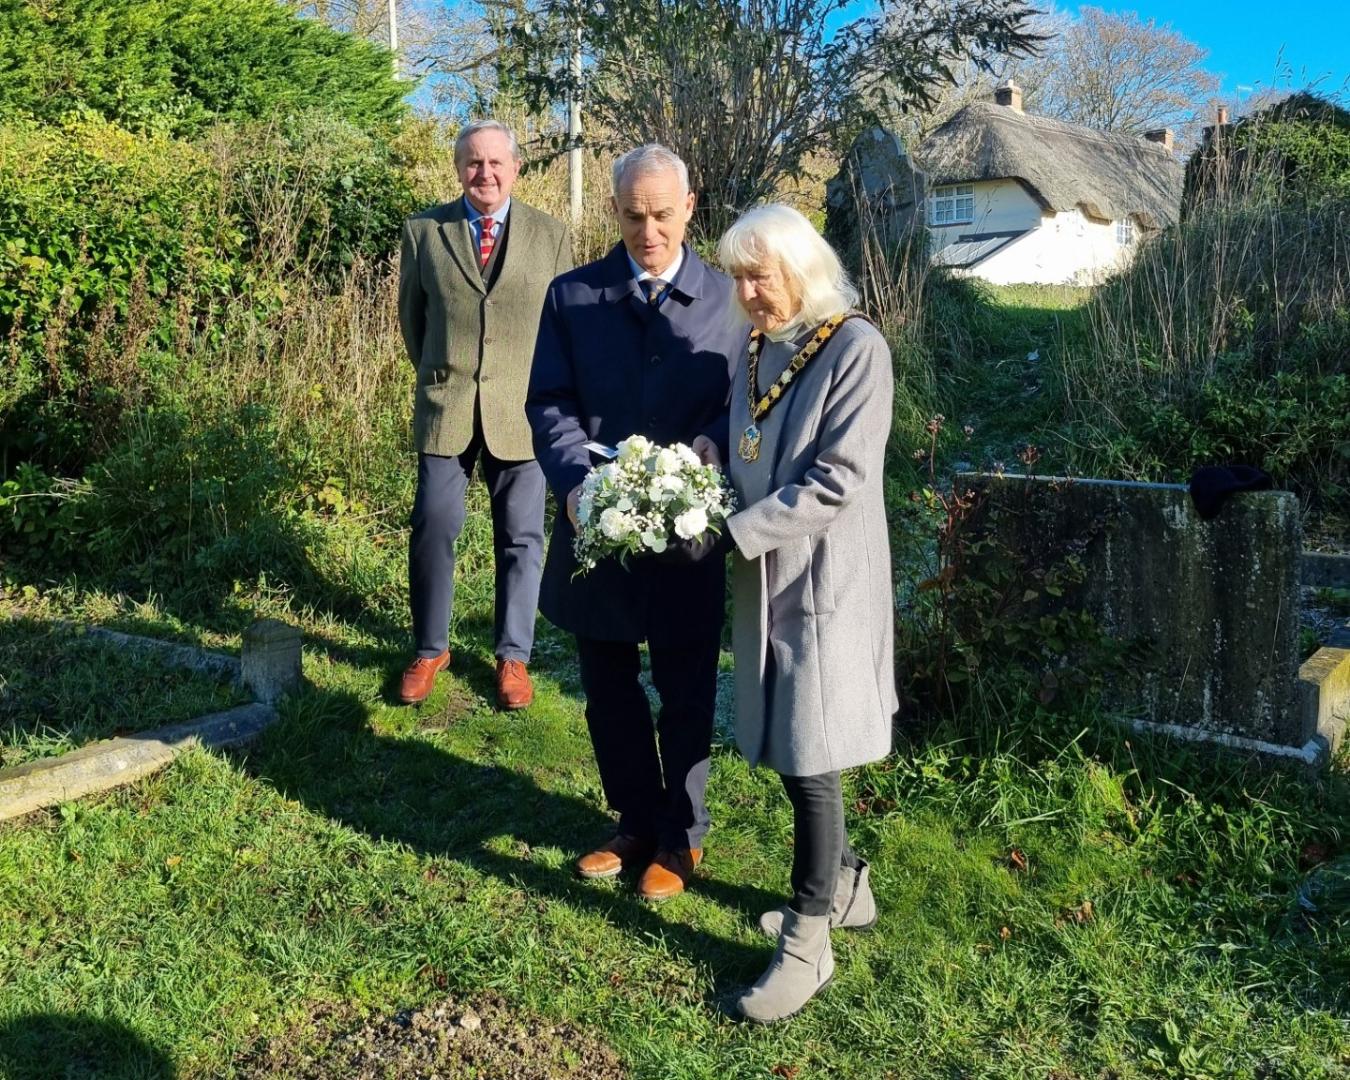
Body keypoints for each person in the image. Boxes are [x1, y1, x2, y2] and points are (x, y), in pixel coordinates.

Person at [525, 144, 743, 901]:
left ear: (690, 207)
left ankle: (681, 835)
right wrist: (575, 485)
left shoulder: (729, 299)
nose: (648, 232)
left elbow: (745, 404)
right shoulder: (572, 296)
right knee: (608, 685)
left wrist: (712, 449)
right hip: (598, 526)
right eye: (632, 216)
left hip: (689, 533)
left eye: (662, 215)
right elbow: (548, 403)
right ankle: (633, 820)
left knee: (686, 685)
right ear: (614, 211)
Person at [716, 204, 898, 1022]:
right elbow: (744, 441)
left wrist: (736, 532)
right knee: (795, 746)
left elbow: (840, 479)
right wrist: (703, 470)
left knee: (810, 752)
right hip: (767, 573)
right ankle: (849, 886)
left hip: (825, 580)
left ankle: (808, 942)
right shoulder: (760, 346)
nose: (748, 295)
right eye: (738, 279)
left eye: (760, 277)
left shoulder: (857, 348)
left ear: (802, 269)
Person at [397, 120, 573, 709]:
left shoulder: (552, 236)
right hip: (447, 403)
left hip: (522, 410)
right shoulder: (425, 231)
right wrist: (441, 372)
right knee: (433, 523)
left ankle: (512, 657)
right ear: (458, 168)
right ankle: (430, 649)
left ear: (516, 168)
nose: (485, 173)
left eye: (497, 162)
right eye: (474, 162)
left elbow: (563, 327)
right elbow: (413, 320)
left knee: (522, 536)